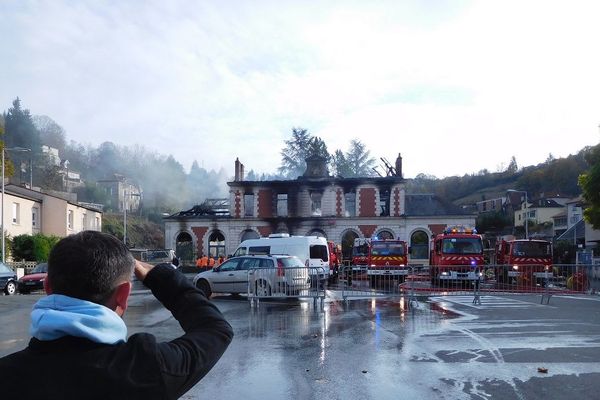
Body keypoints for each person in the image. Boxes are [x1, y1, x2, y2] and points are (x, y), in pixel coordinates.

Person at [0, 231, 233, 400]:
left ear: (48, 287)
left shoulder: (8, 375)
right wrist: (160, 277)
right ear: (123, 295)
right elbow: (215, 330)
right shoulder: (146, 369)